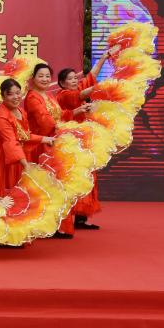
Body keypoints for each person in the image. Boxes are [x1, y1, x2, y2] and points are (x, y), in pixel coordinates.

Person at [25, 63, 93, 239]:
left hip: (53, 143)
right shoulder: (32, 97)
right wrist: (70, 117)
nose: (45, 79)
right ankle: (45, 225)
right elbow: (45, 122)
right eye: (41, 76)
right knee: (45, 186)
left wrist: (77, 110)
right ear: (33, 78)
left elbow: (61, 114)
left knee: (56, 185)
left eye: (47, 76)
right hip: (41, 146)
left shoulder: (48, 95)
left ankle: (54, 224)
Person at [56, 48, 117, 231]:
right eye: (70, 79)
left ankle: (82, 217)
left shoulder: (77, 89)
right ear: (62, 83)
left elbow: (91, 76)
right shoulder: (64, 95)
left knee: (88, 175)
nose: (75, 80)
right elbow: (84, 93)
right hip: (71, 142)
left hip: (84, 140)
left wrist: (104, 57)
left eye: (75, 78)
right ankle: (68, 217)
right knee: (76, 177)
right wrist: (109, 86)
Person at [0, 78, 54, 197]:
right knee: (3, 194)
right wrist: (25, 164)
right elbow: (10, 141)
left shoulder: (20, 111)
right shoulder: (1, 118)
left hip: (16, 154)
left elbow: (23, 135)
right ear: (3, 96)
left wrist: (45, 139)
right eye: (10, 94)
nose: (16, 97)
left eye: (18, 93)